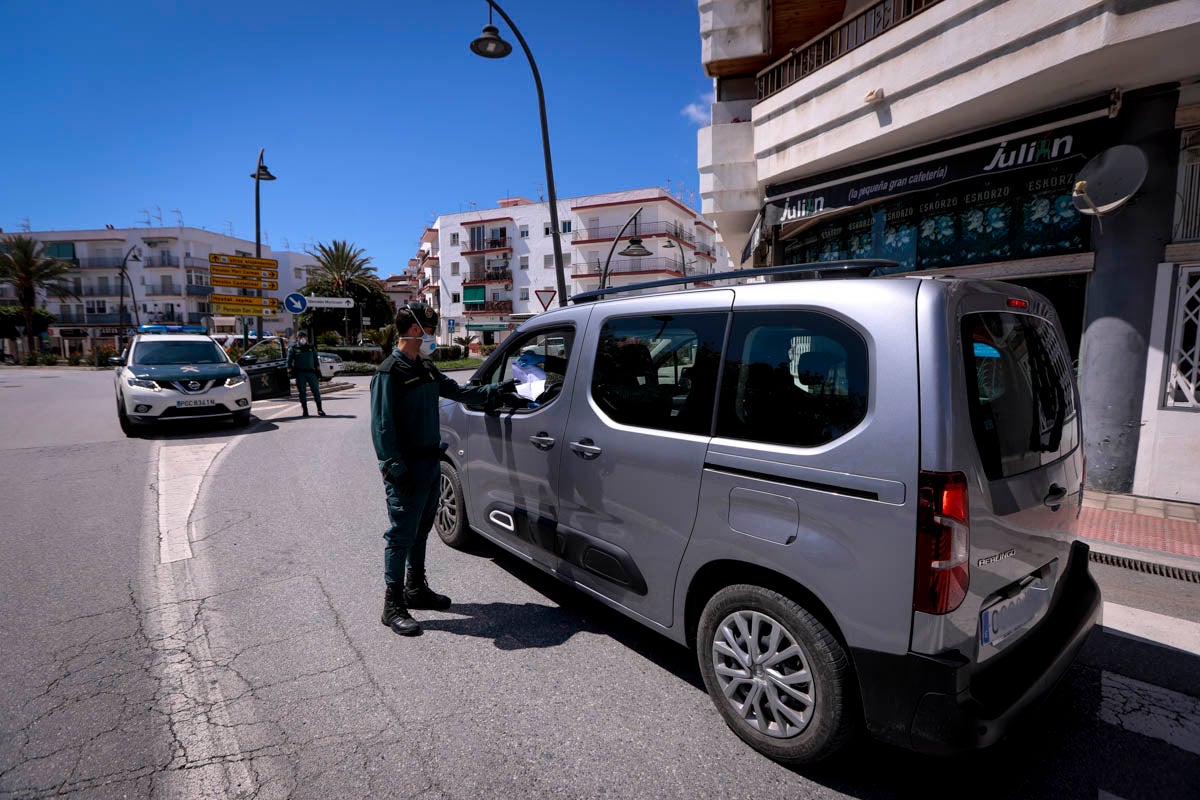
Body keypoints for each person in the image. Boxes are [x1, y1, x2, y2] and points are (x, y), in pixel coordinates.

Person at [370, 302, 515, 636]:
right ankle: (392, 606)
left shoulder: (426, 367)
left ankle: (415, 589)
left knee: (421, 530)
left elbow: (460, 392)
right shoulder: (389, 373)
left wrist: (495, 390)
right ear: (416, 329)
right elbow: (382, 428)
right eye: (428, 328)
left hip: (429, 463)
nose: (431, 334)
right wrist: (395, 469)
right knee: (400, 535)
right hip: (405, 468)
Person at [287, 332, 325, 417]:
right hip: (300, 373)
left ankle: (320, 410)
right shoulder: (293, 348)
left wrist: (318, 369)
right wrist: (289, 370)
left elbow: (315, 358)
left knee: (316, 391)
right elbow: (289, 359)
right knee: (302, 392)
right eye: (300, 336)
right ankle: (305, 411)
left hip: (311, 372)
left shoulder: (311, 347)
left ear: (307, 337)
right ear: (297, 337)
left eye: (303, 336)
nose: (302, 338)